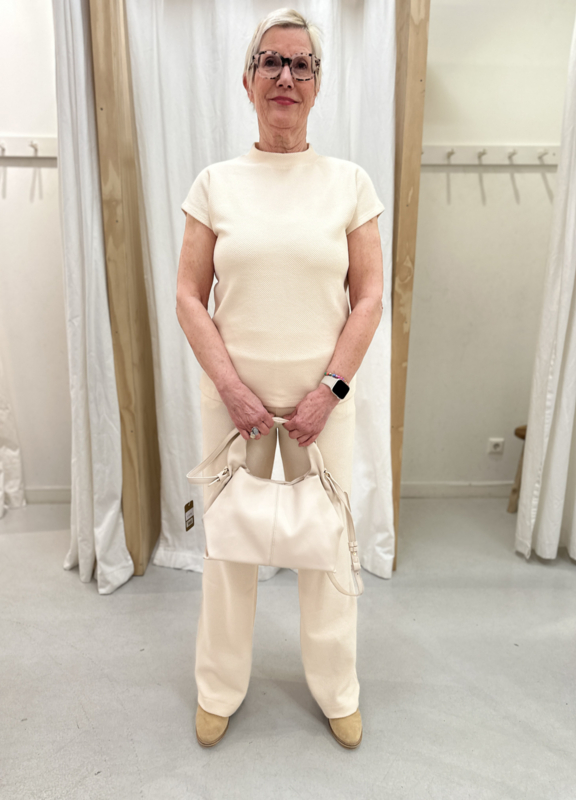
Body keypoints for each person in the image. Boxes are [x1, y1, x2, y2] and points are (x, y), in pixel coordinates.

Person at [177, 7, 385, 749]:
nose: (286, 77)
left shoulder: (349, 183)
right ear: (248, 81)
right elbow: (188, 297)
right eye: (272, 61)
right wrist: (233, 389)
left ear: (318, 85)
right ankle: (218, 687)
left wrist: (329, 391)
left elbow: (369, 297)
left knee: (327, 551)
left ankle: (337, 689)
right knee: (228, 549)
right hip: (232, 405)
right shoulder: (215, 184)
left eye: (302, 64)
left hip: (321, 406)